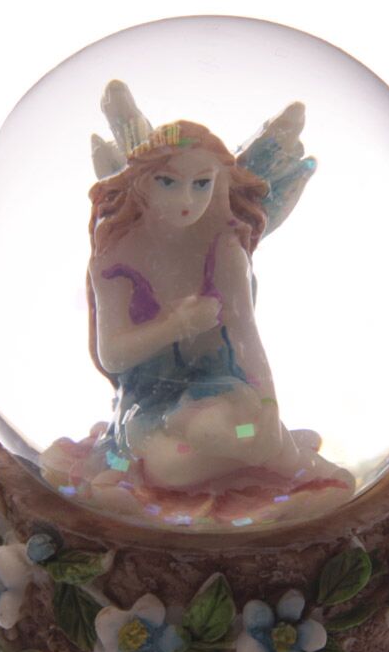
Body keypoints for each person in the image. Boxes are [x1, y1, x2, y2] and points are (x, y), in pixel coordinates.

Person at [86, 120, 321, 490]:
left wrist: (267, 408)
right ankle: (263, 454)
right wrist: (175, 326)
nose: (187, 201)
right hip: (150, 401)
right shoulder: (115, 259)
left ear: (219, 184)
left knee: (221, 431)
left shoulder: (224, 250)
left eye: (201, 184)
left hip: (217, 389)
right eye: (168, 182)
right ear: (142, 182)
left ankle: (267, 444)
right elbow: (112, 355)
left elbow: (246, 338)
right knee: (171, 465)